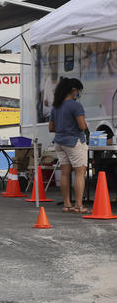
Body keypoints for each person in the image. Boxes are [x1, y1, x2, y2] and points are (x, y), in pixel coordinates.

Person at [49, 77, 90, 214]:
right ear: (74, 90)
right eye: (79, 91)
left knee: (65, 174)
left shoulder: (56, 106)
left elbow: (51, 127)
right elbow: (82, 125)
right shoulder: (75, 105)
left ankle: (67, 204)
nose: (79, 93)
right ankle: (79, 205)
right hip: (74, 142)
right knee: (80, 172)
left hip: (59, 142)